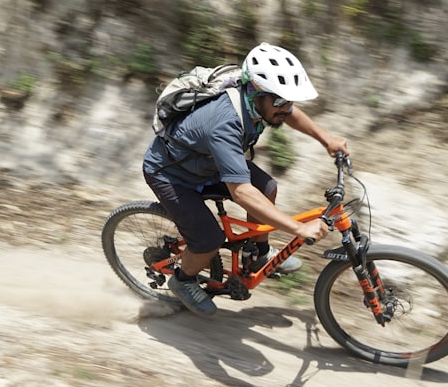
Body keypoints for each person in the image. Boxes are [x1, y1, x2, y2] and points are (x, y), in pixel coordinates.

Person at [142, 43, 349, 316]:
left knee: (268, 189)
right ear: (256, 93)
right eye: (279, 101)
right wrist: (298, 229)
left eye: (289, 100)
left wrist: (326, 139)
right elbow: (240, 192)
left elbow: (288, 113)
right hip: (172, 174)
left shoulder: (260, 101)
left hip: (208, 163)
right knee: (208, 239)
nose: (286, 107)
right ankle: (183, 280)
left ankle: (258, 254)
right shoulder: (225, 122)